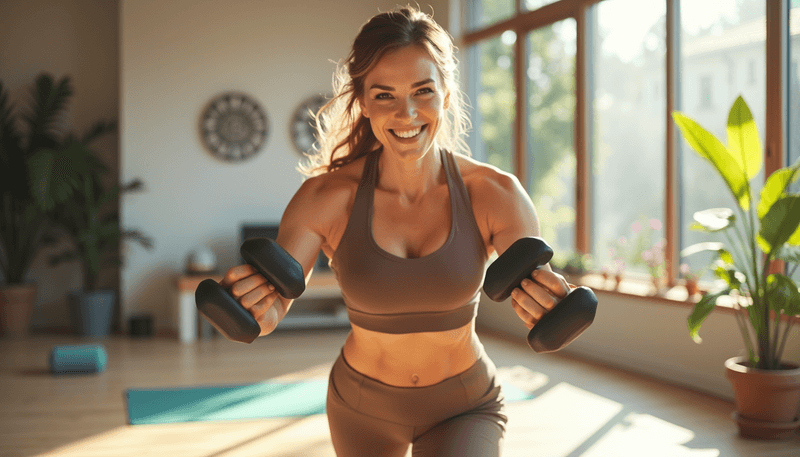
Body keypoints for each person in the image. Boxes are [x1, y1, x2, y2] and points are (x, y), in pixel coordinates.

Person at [219, 6, 573, 456]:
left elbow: (533, 287)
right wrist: (250, 306)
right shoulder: (326, 197)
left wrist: (550, 302)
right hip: (361, 406)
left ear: (446, 94)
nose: (406, 113)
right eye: (384, 95)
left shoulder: (495, 193)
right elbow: (275, 306)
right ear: (363, 102)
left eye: (422, 91)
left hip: (465, 404)